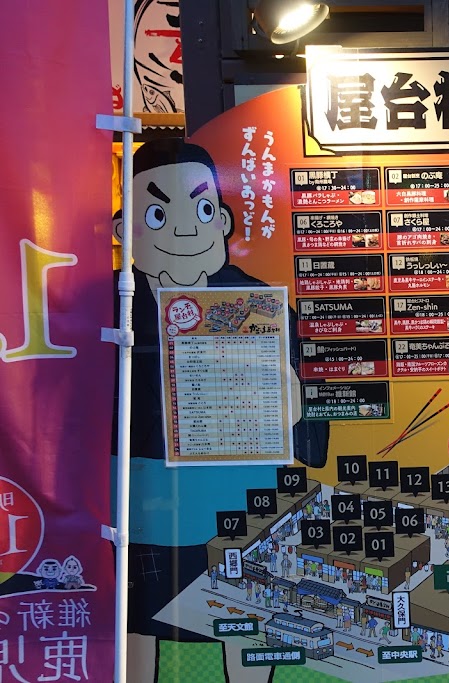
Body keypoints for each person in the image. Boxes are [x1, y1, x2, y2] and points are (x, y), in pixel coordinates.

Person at [111, 140, 330, 657]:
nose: (185, 229)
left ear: (223, 222)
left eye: (203, 210)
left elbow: (308, 412)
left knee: (248, 615)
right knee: (147, 624)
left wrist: (295, 409)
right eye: (159, 214)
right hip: (150, 504)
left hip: (245, 496)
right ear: (124, 229)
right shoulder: (110, 307)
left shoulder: (258, 303)